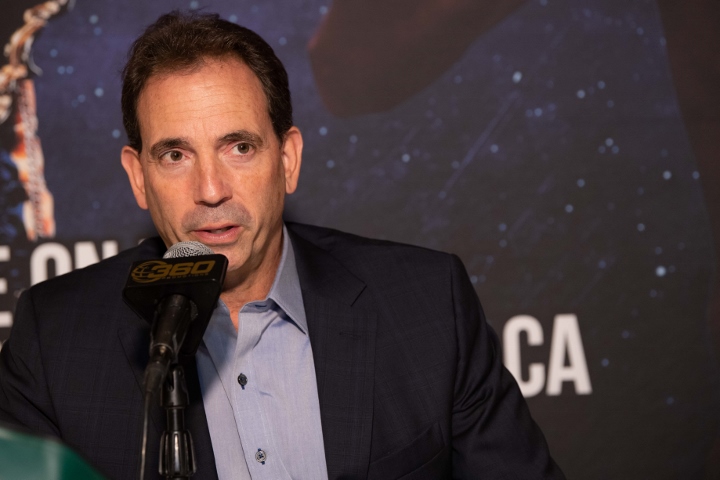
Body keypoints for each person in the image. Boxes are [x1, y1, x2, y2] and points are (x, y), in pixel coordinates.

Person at [0, 11, 565, 480]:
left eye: (239, 147)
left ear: (288, 160)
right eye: (175, 155)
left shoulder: (426, 305)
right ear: (138, 177)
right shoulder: (56, 343)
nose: (211, 189)